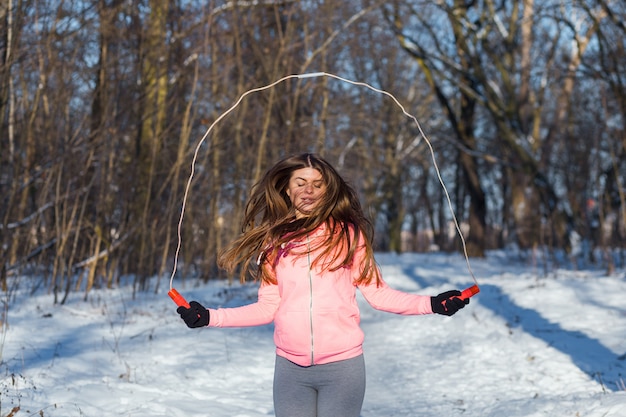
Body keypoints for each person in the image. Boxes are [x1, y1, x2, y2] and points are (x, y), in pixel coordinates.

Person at [177, 153, 469, 417]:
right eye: (300, 182)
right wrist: (210, 317)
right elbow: (268, 307)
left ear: (328, 191)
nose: (309, 190)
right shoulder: (274, 242)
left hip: (343, 369)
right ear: (287, 190)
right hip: (290, 369)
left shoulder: (349, 235)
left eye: (318, 184)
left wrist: (432, 304)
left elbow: (378, 294)